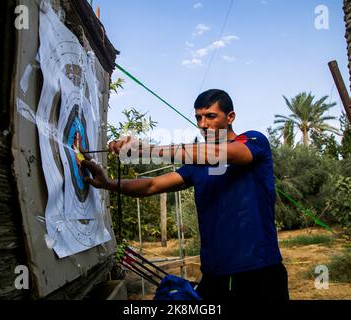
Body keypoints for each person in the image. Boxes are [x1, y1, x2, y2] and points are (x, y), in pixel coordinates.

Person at [81, 89, 289, 300]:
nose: (202, 124)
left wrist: (146, 150)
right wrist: (107, 184)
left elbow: (219, 154)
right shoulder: (197, 163)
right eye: (198, 117)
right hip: (214, 275)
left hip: (260, 272)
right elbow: (151, 185)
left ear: (230, 117)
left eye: (210, 116)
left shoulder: (254, 140)